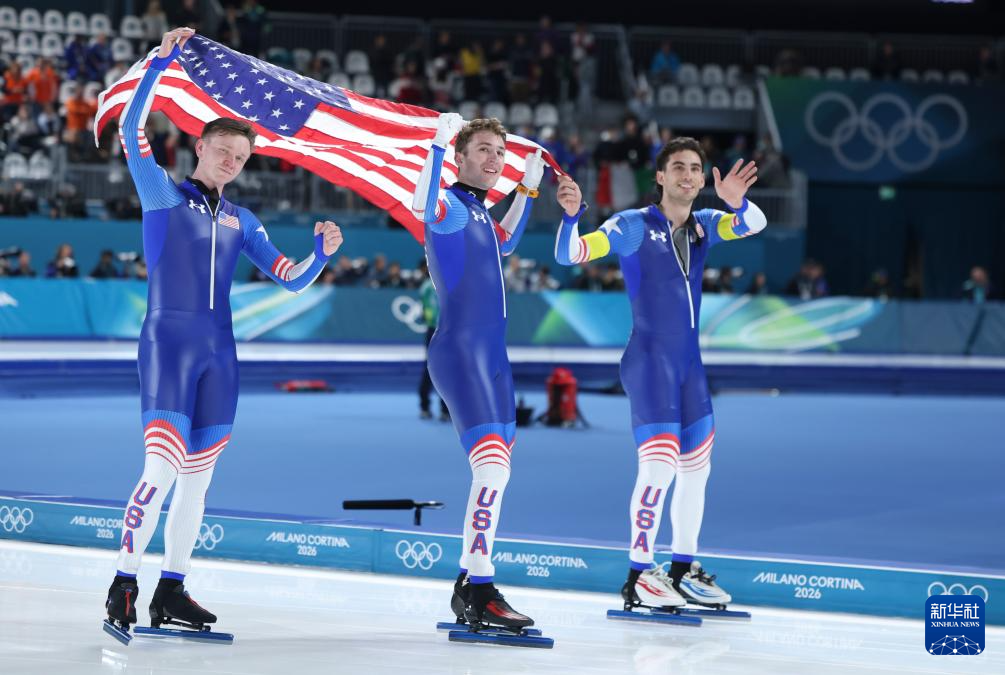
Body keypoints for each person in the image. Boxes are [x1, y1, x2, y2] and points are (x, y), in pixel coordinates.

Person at [104, 28, 344, 639]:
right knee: (160, 469)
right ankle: (124, 584)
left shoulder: (243, 219)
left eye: (240, 156)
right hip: (169, 347)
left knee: (198, 483)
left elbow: (289, 278)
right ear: (201, 146)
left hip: (221, 357)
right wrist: (158, 64)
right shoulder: (162, 194)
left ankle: (172, 589)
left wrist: (320, 255)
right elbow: (131, 130)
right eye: (223, 150)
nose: (231, 162)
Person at [554, 137, 765, 612]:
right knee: (659, 467)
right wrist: (569, 219)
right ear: (661, 177)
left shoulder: (705, 224)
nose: (689, 175)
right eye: (679, 167)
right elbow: (571, 254)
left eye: (695, 168)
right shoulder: (632, 225)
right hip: (650, 362)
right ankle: (638, 574)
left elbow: (754, 223)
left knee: (697, 470)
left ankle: (681, 570)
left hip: (690, 367)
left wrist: (738, 203)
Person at [411, 112, 552, 631]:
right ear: (461, 157)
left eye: (500, 151)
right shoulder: (448, 206)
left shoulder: (479, 215)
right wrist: (435, 144)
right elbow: (420, 205)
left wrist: (528, 188)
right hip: (460, 352)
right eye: (484, 150)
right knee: (491, 468)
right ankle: (480, 588)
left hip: (493, 355)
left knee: (499, 469)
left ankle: (471, 586)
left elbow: (506, 240)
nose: (495, 159)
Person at [417, 259, 449, 421]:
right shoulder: (446, 283)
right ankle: (445, 410)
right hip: (444, 330)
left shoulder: (425, 286)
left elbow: (426, 313)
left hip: (434, 330)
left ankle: (425, 407)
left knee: (430, 368)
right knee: (446, 369)